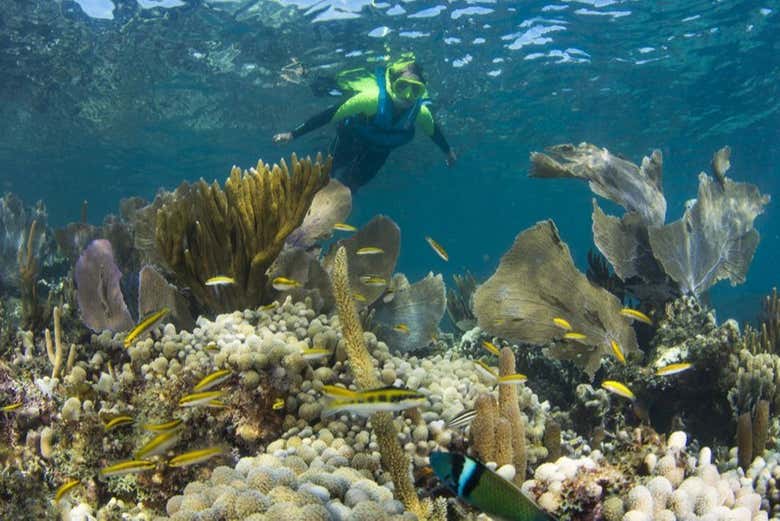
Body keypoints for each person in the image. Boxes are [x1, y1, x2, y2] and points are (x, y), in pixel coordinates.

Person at [273, 58, 456, 192]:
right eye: (402, 87)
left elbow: (434, 132)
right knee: (329, 173)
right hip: (351, 138)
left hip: (380, 151)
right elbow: (330, 115)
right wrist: (293, 134)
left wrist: (448, 151)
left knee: (355, 185)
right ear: (392, 84)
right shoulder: (371, 99)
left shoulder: (420, 112)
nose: (408, 96)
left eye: (415, 90)